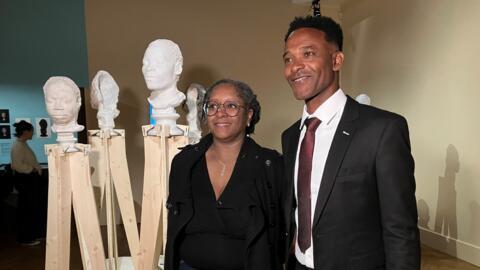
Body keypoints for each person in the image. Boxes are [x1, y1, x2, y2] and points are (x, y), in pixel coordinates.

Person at [281, 16, 420, 269]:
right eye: (288, 59)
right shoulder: (290, 136)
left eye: (308, 54)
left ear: (337, 60)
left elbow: (400, 230)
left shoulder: (382, 130)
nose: (295, 67)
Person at [165, 79, 285, 270]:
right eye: (212, 106)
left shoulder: (271, 166)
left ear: (249, 115)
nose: (220, 113)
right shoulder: (184, 163)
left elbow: (282, 232)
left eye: (231, 106)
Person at [142, 39, 185, 135]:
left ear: (177, 67)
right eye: (145, 63)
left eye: (158, 62)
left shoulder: (175, 99)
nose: (149, 69)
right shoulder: (153, 101)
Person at [10, 120, 43, 245]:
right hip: (26, 182)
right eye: (31, 131)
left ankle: (32, 235)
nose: (32, 134)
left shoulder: (22, 144)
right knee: (27, 211)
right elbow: (17, 165)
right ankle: (26, 238)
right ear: (25, 132)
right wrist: (32, 169)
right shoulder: (18, 146)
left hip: (28, 181)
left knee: (30, 209)